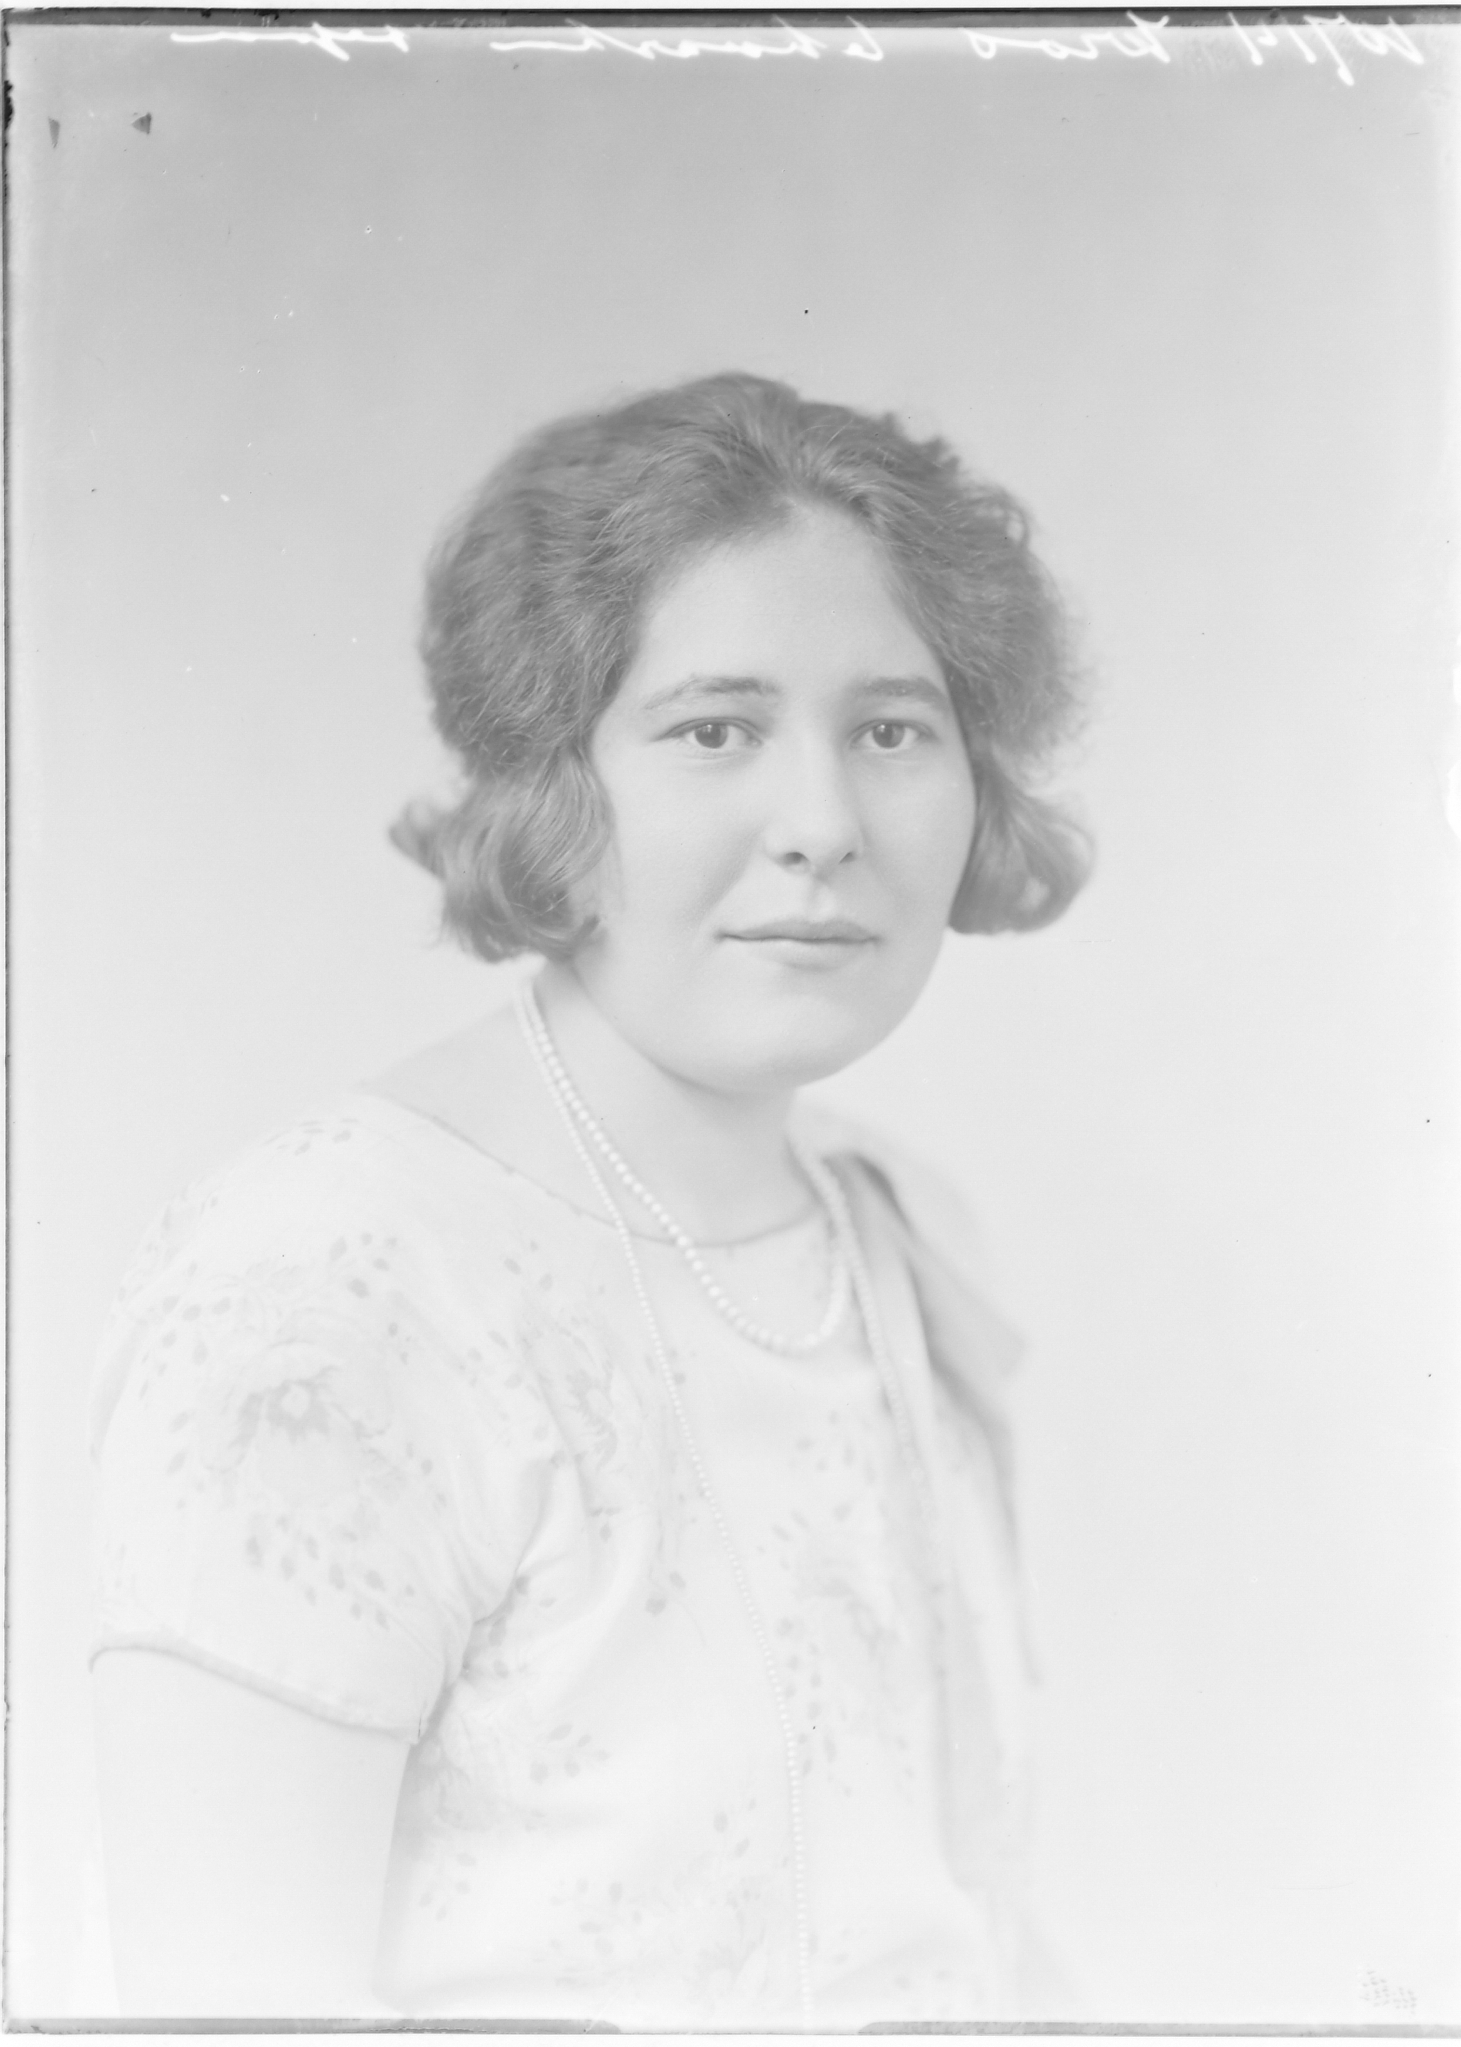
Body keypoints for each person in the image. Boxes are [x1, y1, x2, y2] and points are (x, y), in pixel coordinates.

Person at [89, 372, 1089, 2027]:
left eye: (892, 730)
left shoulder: (892, 1240)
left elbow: (970, 1934)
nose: (823, 826)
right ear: (555, 780)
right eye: (715, 730)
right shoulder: (331, 1291)